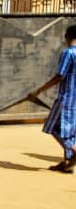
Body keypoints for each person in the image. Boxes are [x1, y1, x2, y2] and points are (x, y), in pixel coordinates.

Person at [29, 24, 76, 173]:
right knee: (70, 131)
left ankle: (73, 151)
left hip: (66, 98)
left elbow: (60, 76)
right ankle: (67, 162)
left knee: (52, 126)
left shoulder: (68, 53)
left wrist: (39, 90)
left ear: (67, 37)